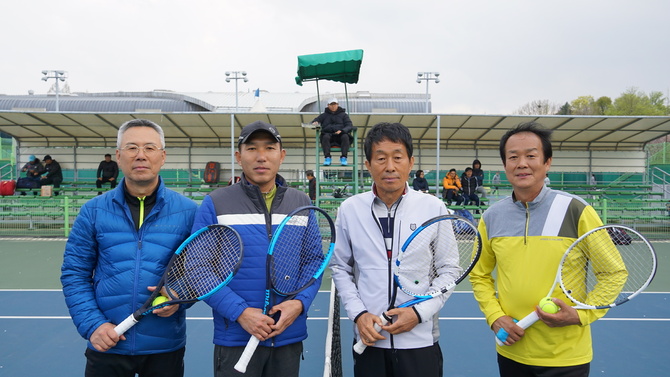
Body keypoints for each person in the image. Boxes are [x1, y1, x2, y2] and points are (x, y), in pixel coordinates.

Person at [61, 119, 198, 377]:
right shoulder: (93, 211)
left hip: (164, 348)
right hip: (108, 343)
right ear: (119, 156)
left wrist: (180, 297)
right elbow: (74, 274)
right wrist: (93, 326)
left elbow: (199, 271)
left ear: (163, 156)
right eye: (132, 148)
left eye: (149, 148)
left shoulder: (189, 212)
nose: (140, 155)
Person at [469, 122, 606, 377]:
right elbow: (479, 274)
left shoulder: (577, 210)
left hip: (567, 358)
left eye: (531, 156)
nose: (522, 163)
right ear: (505, 165)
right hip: (512, 352)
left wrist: (580, 315)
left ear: (547, 162)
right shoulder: (491, 217)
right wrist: (495, 317)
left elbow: (613, 273)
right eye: (513, 157)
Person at [191, 120, 317, 377]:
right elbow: (198, 269)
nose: (261, 157)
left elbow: (313, 262)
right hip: (235, 338)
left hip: (288, 336)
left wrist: (299, 304)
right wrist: (240, 313)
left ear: (281, 156)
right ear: (239, 156)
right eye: (252, 149)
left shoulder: (302, 203)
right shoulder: (215, 203)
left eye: (269, 148)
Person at [331, 122, 455, 377]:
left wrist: (418, 313)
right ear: (368, 164)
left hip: (420, 343)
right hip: (369, 339)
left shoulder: (434, 208)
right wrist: (359, 315)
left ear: (410, 162)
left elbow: (449, 270)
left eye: (397, 157)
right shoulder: (350, 209)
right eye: (380, 158)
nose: (390, 166)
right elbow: (340, 268)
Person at [312, 97, 354, 166]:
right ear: (328, 105)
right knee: (325, 137)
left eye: (335, 104)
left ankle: (344, 157)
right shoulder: (324, 115)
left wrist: (342, 131)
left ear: (338, 104)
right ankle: (327, 157)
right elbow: (315, 121)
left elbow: (349, 125)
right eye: (331, 104)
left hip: (340, 136)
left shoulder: (344, 115)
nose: (333, 106)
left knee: (345, 136)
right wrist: (315, 123)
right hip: (328, 136)